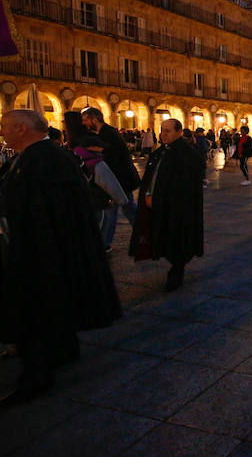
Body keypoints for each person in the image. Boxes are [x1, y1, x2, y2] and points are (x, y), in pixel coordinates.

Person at [0, 110, 122, 405]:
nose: (2, 132)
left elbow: (49, 213)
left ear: (20, 128)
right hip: (47, 250)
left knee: (33, 312)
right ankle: (64, 350)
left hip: (41, 252)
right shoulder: (40, 156)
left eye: (4, 126)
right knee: (49, 309)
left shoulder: (44, 159)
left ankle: (35, 378)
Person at [129, 118, 205, 291]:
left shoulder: (187, 154)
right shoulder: (162, 151)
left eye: (168, 131)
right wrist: (148, 194)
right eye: (162, 130)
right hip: (159, 204)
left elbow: (187, 184)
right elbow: (153, 176)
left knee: (177, 238)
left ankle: (177, 271)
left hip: (177, 208)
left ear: (179, 132)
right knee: (163, 235)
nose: (163, 134)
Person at [81, 107, 140, 250]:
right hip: (119, 179)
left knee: (114, 211)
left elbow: (115, 154)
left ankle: (105, 243)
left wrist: (98, 150)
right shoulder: (105, 132)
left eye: (85, 120)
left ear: (94, 119)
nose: (84, 124)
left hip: (119, 179)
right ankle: (143, 233)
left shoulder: (108, 133)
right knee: (125, 209)